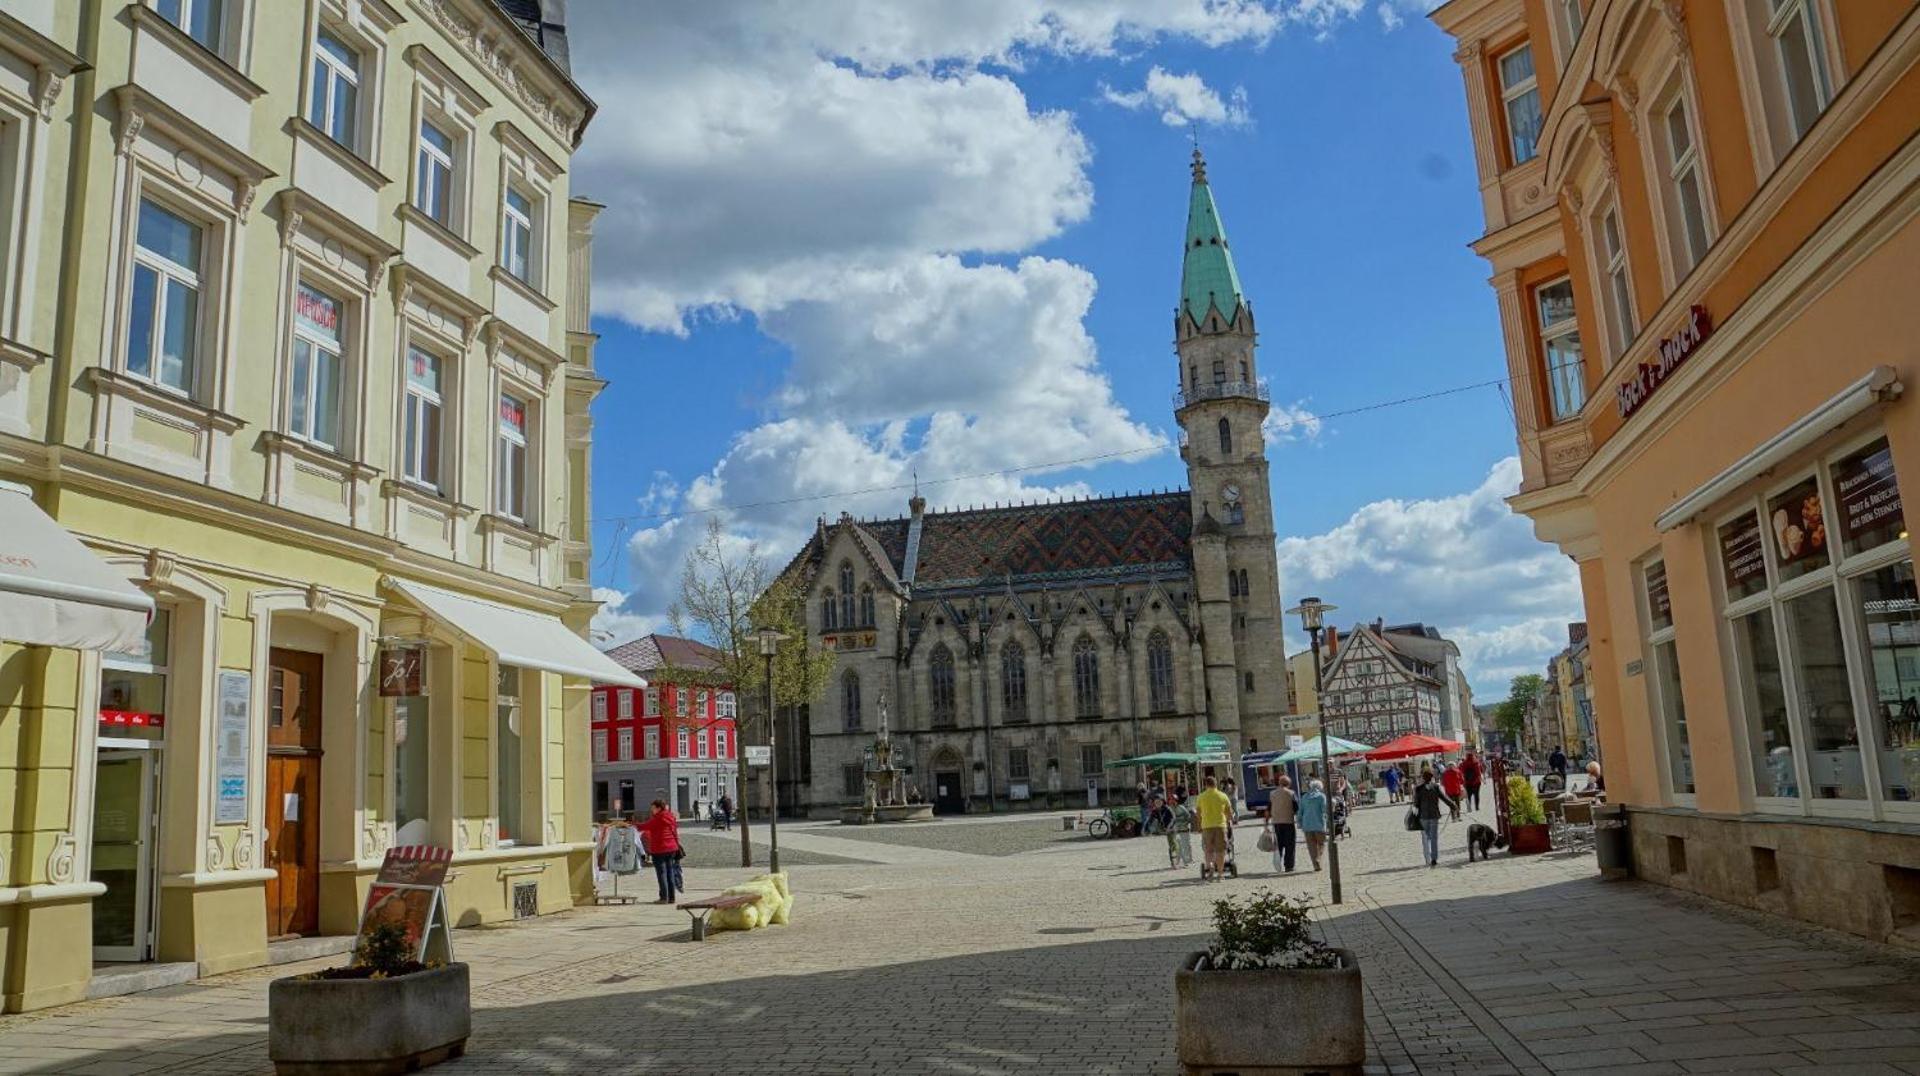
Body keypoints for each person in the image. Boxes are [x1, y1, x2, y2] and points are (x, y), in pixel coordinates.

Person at [636, 799, 683, 904]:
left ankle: (663, 897)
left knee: (661, 873)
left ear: (658, 808)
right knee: (670, 872)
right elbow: (675, 831)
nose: (652, 810)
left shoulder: (658, 818)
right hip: (672, 848)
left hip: (660, 849)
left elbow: (644, 826)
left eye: (653, 808)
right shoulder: (670, 816)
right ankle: (671, 897)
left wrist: (632, 824)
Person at [1412, 769, 1456, 868]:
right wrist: (1453, 805)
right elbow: (1444, 798)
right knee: (1434, 838)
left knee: (1426, 839)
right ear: (1432, 778)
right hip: (1434, 815)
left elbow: (1415, 803)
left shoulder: (1418, 789)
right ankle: (1434, 859)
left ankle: (1427, 859)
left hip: (1423, 817)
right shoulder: (1435, 787)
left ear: (1423, 778)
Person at [1194, 776, 1233, 881]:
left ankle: (1210, 865)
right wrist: (1229, 821)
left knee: (1208, 850)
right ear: (1216, 784)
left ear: (1206, 785)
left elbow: (1198, 814)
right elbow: (1229, 812)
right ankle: (1220, 874)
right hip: (1220, 825)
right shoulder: (1222, 796)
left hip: (1206, 826)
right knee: (1220, 851)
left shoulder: (1201, 797)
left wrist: (1198, 826)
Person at [1266, 775, 1299, 873]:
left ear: (1279, 783)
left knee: (1278, 845)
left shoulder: (1272, 794)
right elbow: (1296, 808)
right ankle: (1289, 866)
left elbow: (1268, 809)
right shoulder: (1291, 793)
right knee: (1290, 845)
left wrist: (1266, 822)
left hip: (1276, 823)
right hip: (1288, 822)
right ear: (1288, 784)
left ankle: (1277, 863)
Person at [1298, 779, 1329, 871]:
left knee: (1311, 846)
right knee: (1321, 843)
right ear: (1320, 788)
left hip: (1307, 825)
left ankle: (1316, 865)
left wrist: (1299, 823)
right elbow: (1324, 810)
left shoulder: (1304, 797)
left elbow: (1300, 812)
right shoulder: (1321, 796)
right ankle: (1318, 858)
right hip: (1319, 824)